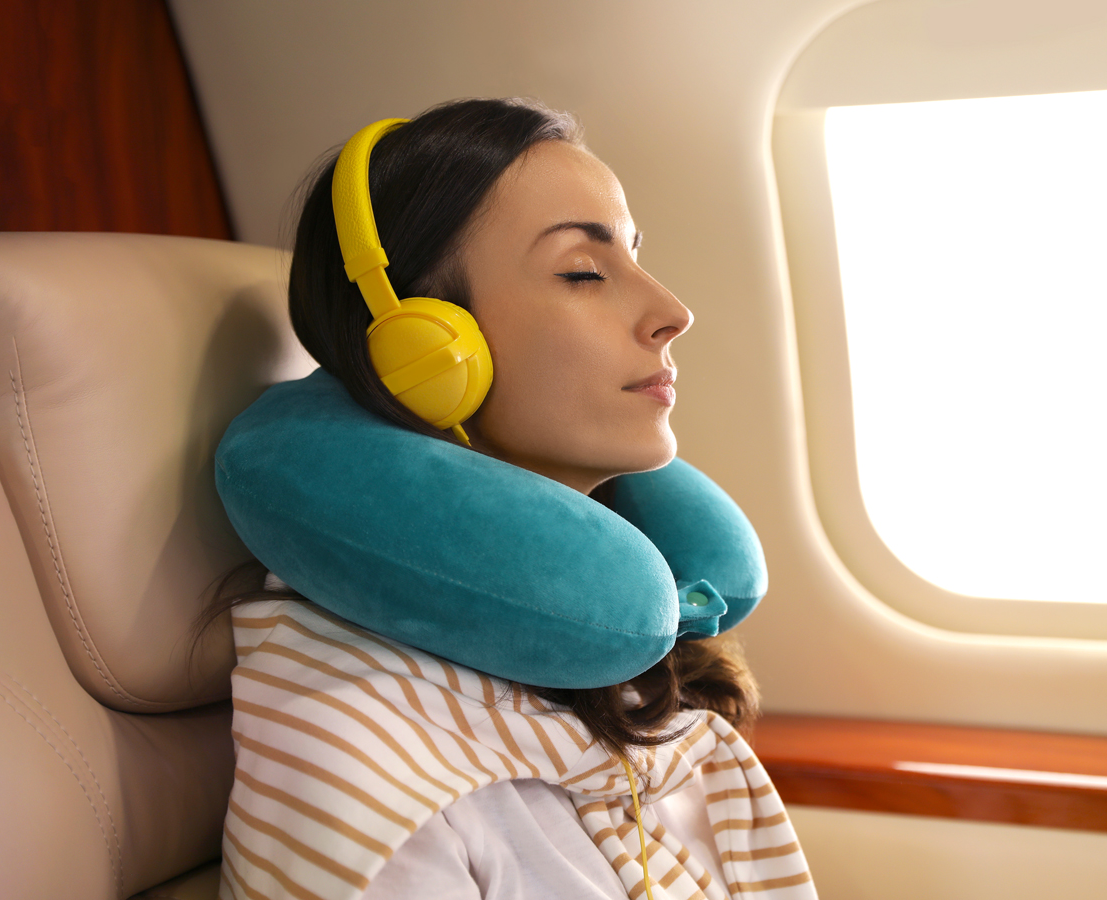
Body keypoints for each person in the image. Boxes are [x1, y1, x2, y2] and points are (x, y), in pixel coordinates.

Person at [209, 97, 816, 899]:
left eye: (635, 256)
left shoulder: (626, 661)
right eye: (583, 273)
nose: (673, 313)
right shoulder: (364, 754)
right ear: (427, 350)